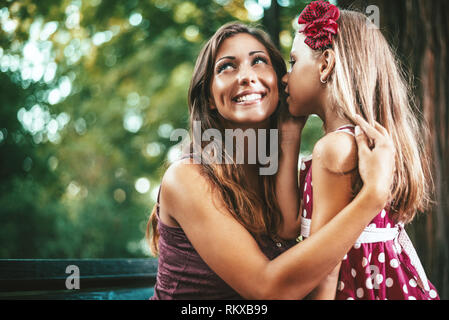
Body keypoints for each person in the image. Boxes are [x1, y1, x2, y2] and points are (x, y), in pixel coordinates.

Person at [146, 22, 396, 300]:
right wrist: (373, 195)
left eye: (259, 61)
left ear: (281, 83)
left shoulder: (282, 176)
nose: (245, 76)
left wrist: (290, 133)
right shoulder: (186, 178)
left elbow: (291, 230)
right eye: (226, 66)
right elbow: (269, 289)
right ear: (210, 97)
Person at [281, 0, 439, 300]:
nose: (286, 77)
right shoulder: (362, 143)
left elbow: (325, 270)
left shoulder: (334, 149)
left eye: (293, 62)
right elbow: (289, 225)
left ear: (325, 64)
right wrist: (289, 136)